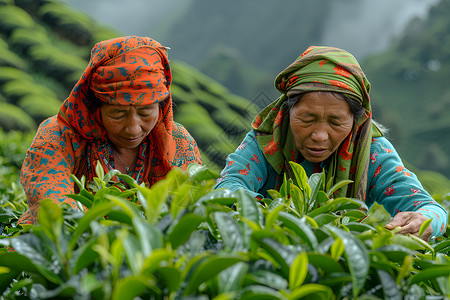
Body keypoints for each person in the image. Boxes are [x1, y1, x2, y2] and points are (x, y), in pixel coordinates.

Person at [215, 46, 447, 240]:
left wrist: (424, 221)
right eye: (307, 119)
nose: (320, 136)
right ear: (287, 110)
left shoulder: (372, 151)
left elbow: (429, 208)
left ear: (356, 120)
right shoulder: (267, 141)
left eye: (336, 122)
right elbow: (228, 187)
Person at [18, 36, 202, 224]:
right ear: (95, 107)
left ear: (162, 106)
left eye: (145, 112)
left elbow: (192, 211)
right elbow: (53, 211)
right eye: (117, 114)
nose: (133, 129)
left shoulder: (177, 142)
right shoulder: (58, 136)